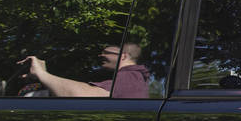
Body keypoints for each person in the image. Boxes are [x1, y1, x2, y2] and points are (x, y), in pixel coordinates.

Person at [19, 43, 149, 98]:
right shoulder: (133, 79)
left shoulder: (130, 76)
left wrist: (42, 74)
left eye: (105, 52)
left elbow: (87, 96)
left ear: (124, 56)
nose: (100, 56)